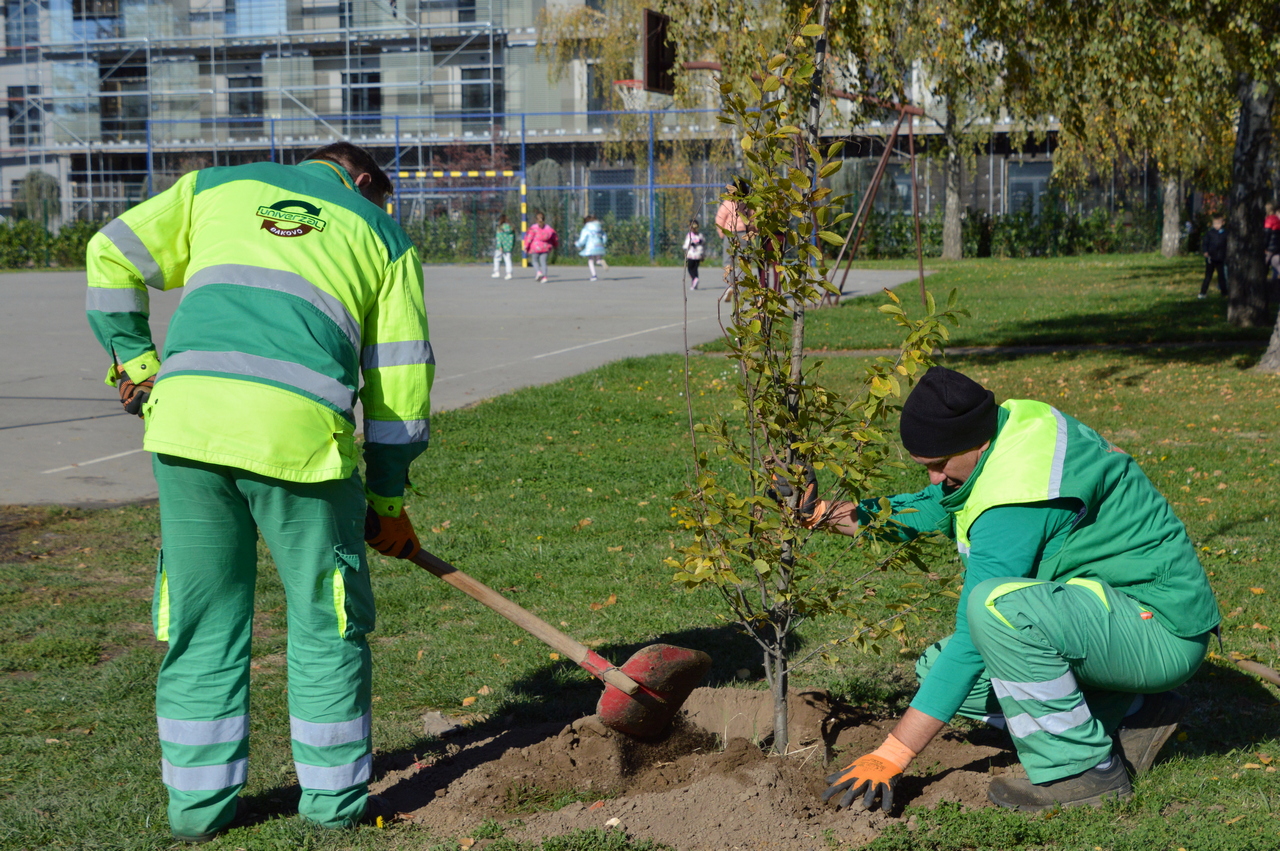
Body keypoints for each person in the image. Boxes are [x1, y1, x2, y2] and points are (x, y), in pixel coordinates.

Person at [85, 142, 433, 842]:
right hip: (300, 443)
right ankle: (334, 806)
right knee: (324, 620)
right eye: (379, 197)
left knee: (202, 619)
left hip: (187, 430)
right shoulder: (384, 236)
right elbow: (400, 385)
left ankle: (197, 809)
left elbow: (108, 252)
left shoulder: (215, 187)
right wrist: (389, 503)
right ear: (363, 180)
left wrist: (138, 362)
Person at [810, 366, 1219, 813]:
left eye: (939, 463)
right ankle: (1136, 711)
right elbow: (935, 506)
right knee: (934, 670)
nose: (932, 477)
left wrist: (894, 752)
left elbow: (971, 642)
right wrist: (823, 514)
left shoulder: (1015, 499)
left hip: (1158, 630)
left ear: (977, 443)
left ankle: (1084, 774)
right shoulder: (1010, 429)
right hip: (1106, 617)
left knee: (996, 612)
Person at [714, 178, 752, 303]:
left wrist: (722, 233)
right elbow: (752, 218)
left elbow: (720, 219)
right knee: (743, 262)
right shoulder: (747, 202)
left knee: (728, 261)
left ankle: (730, 285)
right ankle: (742, 288)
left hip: (729, 233)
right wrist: (753, 233)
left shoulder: (728, 202)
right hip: (743, 234)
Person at [523, 212, 558, 283]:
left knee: (535, 261)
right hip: (545, 247)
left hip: (535, 247)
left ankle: (538, 272)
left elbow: (529, 238)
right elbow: (554, 238)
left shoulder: (533, 228)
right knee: (543, 262)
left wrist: (526, 246)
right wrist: (555, 245)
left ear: (536, 220)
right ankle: (544, 277)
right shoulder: (549, 229)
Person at [1199, 215, 1227, 298]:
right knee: (1208, 276)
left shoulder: (1225, 233)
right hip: (1211, 258)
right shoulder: (1210, 233)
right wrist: (1205, 251)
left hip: (1221, 258)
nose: (1216, 225)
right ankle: (1203, 292)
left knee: (1221, 277)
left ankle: (1224, 292)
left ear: (1223, 223)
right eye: (1215, 224)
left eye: (1218, 223)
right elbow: (1205, 243)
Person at [574, 214, 609, 281]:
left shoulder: (586, 229)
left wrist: (577, 244)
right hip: (599, 245)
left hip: (591, 246)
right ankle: (601, 261)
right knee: (598, 260)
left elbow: (582, 239)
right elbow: (604, 236)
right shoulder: (599, 228)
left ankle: (594, 275)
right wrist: (603, 242)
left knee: (591, 260)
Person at [682, 219, 706, 290]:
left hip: (691, 255)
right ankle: (695, 283)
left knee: (690, 268)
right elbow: (703, 244)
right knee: (695, 268)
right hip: (699, 255)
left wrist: (685, 250)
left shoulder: (689, 235)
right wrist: (703, 255)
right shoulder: (700, 235)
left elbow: (687, 245)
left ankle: (694, 278)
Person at [492, 213, 515, 279]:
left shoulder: (500, 228)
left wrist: (499, 246)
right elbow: (513, 238)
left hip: (501, 246)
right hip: (508, 246)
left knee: (497, 258)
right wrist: (511, 245)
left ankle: (496, 272)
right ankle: (509, 273)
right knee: (508, 259)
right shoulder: (511, 228)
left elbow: (499, 237)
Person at [1263, 202, 1280, 285]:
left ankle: (1262, 283)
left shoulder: (1268, 220)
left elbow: (1267, 235)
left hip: (1270, 246)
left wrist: (1264, 247)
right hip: (1277, 246)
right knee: (1276, 263)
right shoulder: (1277, 219)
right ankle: (1274, 282)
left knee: (1264, 263)